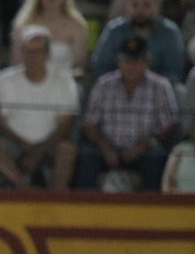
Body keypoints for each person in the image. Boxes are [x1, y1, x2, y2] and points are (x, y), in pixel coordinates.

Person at [76, 35, 180, 190]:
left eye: (137, 61)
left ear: (146, 62)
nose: (131, 66)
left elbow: (169, 126)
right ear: (118, 62)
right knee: (87, 156)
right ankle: (83, 208)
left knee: (156, 157)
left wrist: (143, 145)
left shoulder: (160, 86)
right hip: (107, 147)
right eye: (127, 61)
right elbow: (89, 124)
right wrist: (106, 147)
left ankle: (153, 209)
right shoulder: (104, 84)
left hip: (144, 150)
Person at [0, 24, 79, 188]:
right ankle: (23, 187)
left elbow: (65, 125)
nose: (32, 57)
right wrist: (22, 143)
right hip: (15, 143)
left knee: (67, 149)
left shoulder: (64, 82)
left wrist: (39, 150)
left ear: (47, 53)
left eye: (37, 52)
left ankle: (57, 198)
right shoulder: (5, 79)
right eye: (27, 51)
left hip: (50, 144)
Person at [92, 0, 187, 83]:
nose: (140, 10)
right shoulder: (114, 30)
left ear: (157, 7)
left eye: (146, 5)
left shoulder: (170, 32)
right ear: (127, 7)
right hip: (119, 87)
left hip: (158, 88)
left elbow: (174, 71)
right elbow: (101, 66)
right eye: (135, 5)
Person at [8, 0, 89, 79]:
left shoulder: (77, 25)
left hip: (64, 82)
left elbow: (79, 65)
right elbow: (16, 63)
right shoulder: (24, 23)